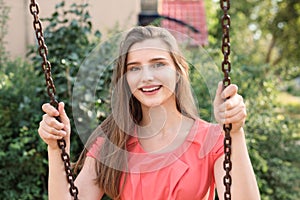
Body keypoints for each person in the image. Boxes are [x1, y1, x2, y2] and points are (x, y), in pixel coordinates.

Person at [38, 26, 260, 200]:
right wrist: (56, 149)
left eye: (158, 64)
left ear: (179, 70)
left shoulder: (211, 140)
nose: (146, 77)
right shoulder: (113, 143)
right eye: (134, 68)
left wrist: (236, 133)